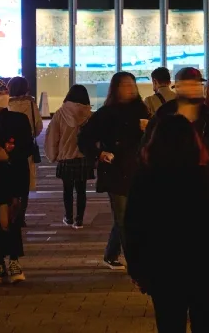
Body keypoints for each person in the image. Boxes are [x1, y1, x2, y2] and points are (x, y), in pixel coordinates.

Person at [124, 114, 209, 333]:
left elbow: (133, 226)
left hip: (162, 267)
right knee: (206, 322)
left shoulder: (145, 178)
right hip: (201, 266)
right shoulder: (204, 178)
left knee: (169, 323)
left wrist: (137, 268)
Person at [78, 71, 150, 270]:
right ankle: (134, 261)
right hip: (115, 170)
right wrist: (99, 153)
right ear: (115, 89)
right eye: (124, 85)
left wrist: (149, 128)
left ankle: (111, 254)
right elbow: (84, 138)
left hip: (138, 170)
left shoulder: (142, 110)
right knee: (123, 217)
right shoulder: (106, 113)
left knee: (131, 216)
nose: (129, 89)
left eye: (132, 84)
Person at [0, 79, 34, 284]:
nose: (3, 95)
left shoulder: (18, 119)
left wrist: (8, 156)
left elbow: (28, 146)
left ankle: (14, 261)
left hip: (13, 176)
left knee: (12, 219)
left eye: (5, 91)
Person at [146, 68, 209, 176]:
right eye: (189, 84)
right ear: (178, 87)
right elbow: (147, 150)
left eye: (197, 84)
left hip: (202, 180)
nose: (194, 89)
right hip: (168, 179)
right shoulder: (163, 114)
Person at [44, 85, 94, 229]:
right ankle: (79, 220)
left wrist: (53, 155)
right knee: (81, 190)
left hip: (66, 157)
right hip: (83, 157)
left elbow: (52, 136)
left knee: (67, 190)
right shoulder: (89, 115)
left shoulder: (60, 114)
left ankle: (69, 217)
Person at [6, 77, 43, 200]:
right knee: (25, 176)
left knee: (9, 174)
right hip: (26, 144)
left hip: (8, 145)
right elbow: (38, 125)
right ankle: (22, 205)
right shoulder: (31, 104)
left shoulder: (6, 104)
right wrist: (32, 134)